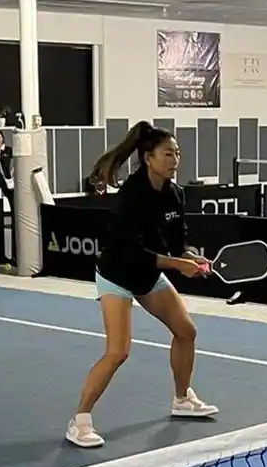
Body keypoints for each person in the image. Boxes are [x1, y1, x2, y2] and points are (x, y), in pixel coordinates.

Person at [66, 121, 218, 449]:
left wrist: (193, 258)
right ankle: (79, 421)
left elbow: (178, 244)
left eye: (178, 153)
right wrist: (178, 265)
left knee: (186, 331)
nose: (175, 159)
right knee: (118, 351)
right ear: (149, 157)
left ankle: (181, 399)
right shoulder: (131, 196)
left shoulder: (175, 194)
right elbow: (131, 252)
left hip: (148, 276)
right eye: (168, 153)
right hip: (117, 275)